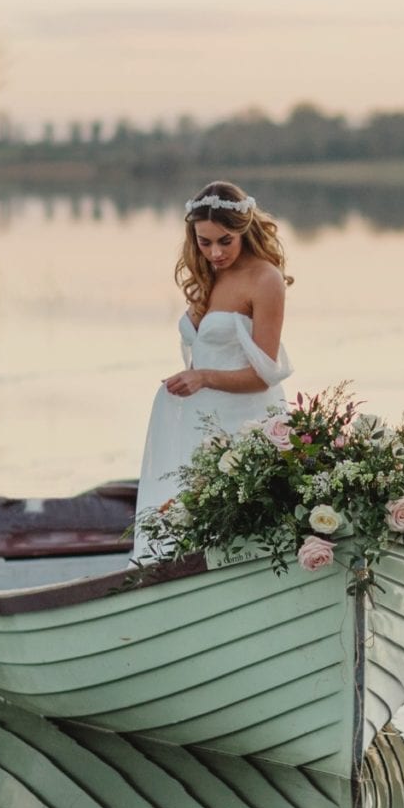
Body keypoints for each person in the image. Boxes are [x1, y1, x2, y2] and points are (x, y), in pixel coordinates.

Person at [132, 180, 294, 557]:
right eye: (204, 242)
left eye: (224, 241)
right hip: (201, 420)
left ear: (244, 231)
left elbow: (264, 374)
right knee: (189, 524)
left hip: (245, 419)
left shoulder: (265, 279)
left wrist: (203, 377)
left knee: (241, 526)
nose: (215, 252)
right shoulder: (208, 275)